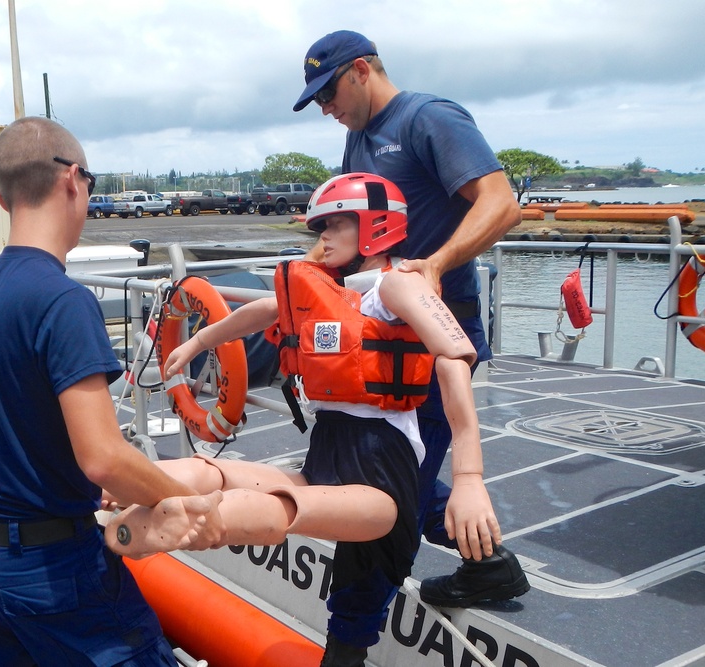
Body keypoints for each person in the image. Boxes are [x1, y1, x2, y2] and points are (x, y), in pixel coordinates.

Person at [105, 173, 507, 667]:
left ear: (375, 226)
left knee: (287, 509)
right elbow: (262, 311)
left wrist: (469, 478)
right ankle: (133, 487)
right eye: (322, 227)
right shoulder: (334, 294)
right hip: (329, 451)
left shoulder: (398, 285)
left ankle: (200, 522)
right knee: (220, 471)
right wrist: (197, 341)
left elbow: (454, 356)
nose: (324, 237)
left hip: (385, 468)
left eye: (337, 224)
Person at [0, 116, 225, 666]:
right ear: (73, 180)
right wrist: (182, 500)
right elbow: (102, 457)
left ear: (2, 198)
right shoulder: (62, 300)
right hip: (50, 575)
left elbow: (3, 427)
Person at [292, 30, 528, 660]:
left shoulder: (429, 117)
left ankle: (346, 647)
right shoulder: (358, 138)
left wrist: (436, 263)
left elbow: (501, 204)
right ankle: (489, 562)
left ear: (361, 70)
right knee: (407, 467)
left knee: (387, 494)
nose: (325, 108)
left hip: (429, 334)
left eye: (329, 92)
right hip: (377, 335)